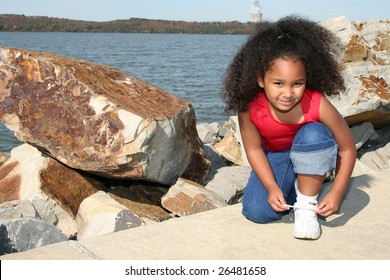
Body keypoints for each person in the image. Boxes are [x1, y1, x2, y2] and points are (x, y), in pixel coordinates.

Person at [221, 16, 356, 240]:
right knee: (257, 211)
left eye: (297, 83)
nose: (288, 93)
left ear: (306, 79)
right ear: (261, 80)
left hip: (311, 148)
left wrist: (337, 193)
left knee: (313, 133)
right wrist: (272, 187)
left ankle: (306, 204)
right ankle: (299, 185)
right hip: (276, 154)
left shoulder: (316, 102)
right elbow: (254, 150)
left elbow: (347, 148)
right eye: (278, 83)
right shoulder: (249, 107)